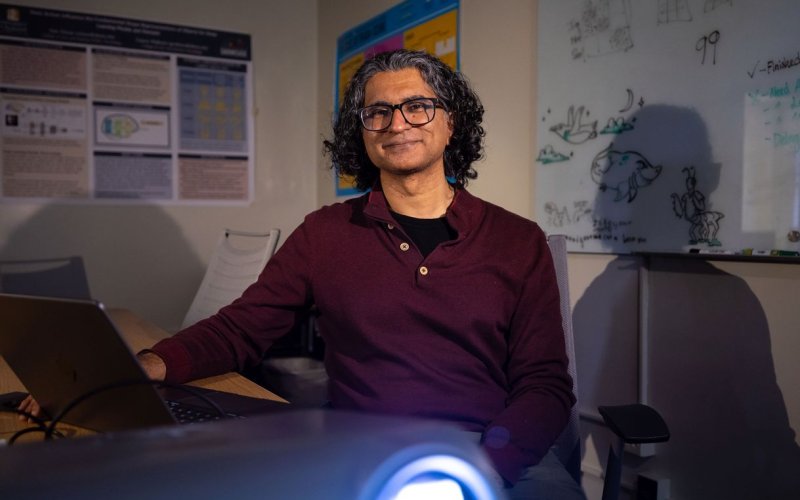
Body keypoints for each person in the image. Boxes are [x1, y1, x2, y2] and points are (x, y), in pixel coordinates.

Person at [21, 49, 582, 499]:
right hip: (359, 448)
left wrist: (483, 466)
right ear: (360, 132)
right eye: (377, 112)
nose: (397, 123)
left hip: (496, 450)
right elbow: (240, 329)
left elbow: (545, 385)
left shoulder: (517, 240)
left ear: (450, 120)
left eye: (418, 105)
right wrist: (147, 363)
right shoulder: (326, 232)